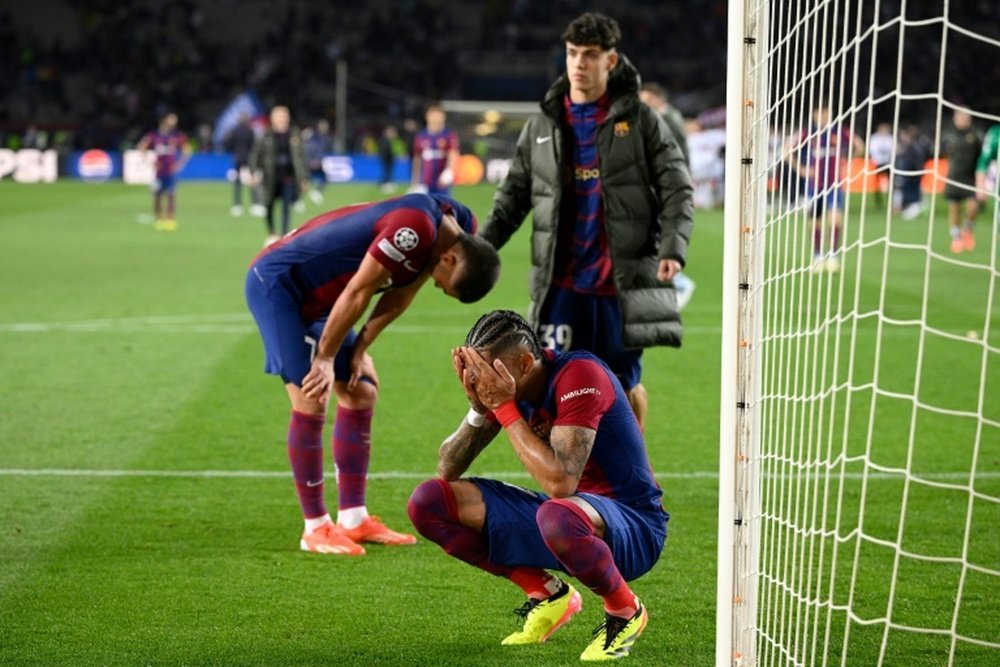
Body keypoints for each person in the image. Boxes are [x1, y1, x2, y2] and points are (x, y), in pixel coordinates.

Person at [245, 193, 501, 556]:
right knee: (311, 393)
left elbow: (400, 294)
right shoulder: (413, 229)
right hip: (280, 286)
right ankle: (315, 527)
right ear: (450, 257)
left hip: (326, 300)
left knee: (361, 390)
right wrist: (325, 358)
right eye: (445, 283)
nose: (438, 286)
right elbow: (361, 289)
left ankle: (353, 517)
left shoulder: (460, 225)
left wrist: (360, 350)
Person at [407, 310, 668, 661]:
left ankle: (625, 611)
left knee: (557, 514)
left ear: (526, 362)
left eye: (487, 370)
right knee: (429, 502)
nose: (481, 379)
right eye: (474, 370)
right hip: (565, 520)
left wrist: (503, 407)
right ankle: (547, 594)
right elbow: (447, 467)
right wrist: (479, 409)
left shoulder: (580, 375)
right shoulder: (507, 386)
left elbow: (561, 483)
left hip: (633, 528)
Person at [478, 12, 693, 432]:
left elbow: (677, 185)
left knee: (624, 386)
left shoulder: (642, 120)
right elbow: (513, 197)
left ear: (610, 61)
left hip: (620, 284)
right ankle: (567, 488)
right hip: (561, 285)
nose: (578, 63)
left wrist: (673, 247)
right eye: (573, 53)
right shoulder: (543, 124)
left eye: (590, 55)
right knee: (548, 386)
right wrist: (481, 249)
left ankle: (634, 481)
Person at [785, 103, 864, 272]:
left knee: (835, 218)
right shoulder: (808, 132)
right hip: (814, 185)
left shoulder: (840, 131)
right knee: (816, 221)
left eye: (826, 113)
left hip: (834, 184)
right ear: (814, 115)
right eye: (819, 114)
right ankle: (817, 256)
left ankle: (833, 256)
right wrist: (801, 169)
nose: (823, 117)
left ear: (831, 114)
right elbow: (787, 151)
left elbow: (859, 146)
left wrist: (846, 159)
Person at [640, 81, 696, 310]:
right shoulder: (667, 118)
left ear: (657, 99)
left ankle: (679, 283)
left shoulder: (668, 121)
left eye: (646, 101)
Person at [249, 105, 309, 245]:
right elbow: (256, 154)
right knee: (269, 205)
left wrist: (304, 177)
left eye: (285, 116)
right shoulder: (266, 135)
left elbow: (301, 157)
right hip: (270, 176)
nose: (283, 119)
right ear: (273, 118)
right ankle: (271, 232)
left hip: (288, 176)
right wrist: (253, 171)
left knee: (286, 206)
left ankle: (284, 235)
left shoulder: (294, 134)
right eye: (280, 116)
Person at [136, 112, 192, 231]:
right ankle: (158, 219)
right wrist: (150, 162)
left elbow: (187, 150)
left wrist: (179, 165)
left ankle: (170, 220)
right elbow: (141, 147)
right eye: (171, 120)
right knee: (157, 195)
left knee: (171, 195)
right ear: (164, 121)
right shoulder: (154, 135)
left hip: (170, 171)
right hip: (159, 172)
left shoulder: (177, 136)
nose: (173, 124)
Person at [411, 104, 459, 195]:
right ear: (427, 117)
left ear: (443, 118)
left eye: (439, 116)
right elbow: (417, 159)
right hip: (425, 182)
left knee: (446, 207)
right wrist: (415, 181)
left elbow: (453, 154)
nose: (436, 119)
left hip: (442, 182)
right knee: (426, 207)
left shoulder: (448, 135)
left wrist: (448, 172)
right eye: (434, 116)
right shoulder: (421, 136)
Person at [223, 112, 257, 217]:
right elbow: (254, 145)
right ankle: (254, 204)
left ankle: (237, 205)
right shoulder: (250, 130)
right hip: (248, 157)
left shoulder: (234, 131)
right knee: (251, 180)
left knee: (238, 182)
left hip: (237, 157)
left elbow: (228, 144)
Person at [894, 124, 925, 220]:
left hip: (911, 173)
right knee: (909, 190)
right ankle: (910, 207)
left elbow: (911, 161)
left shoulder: (912, 147)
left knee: (910, 191)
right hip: (913, 172)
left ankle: (913, 208)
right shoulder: (916, 145)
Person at [304, 118, 333, 205]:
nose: (324, 127)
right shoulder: (313, 136)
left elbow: (324, 150)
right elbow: (310, 149)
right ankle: (298, 199)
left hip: (318, 161)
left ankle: (317, 192)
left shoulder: (325, 138)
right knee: (305, 181)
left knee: (325, 178)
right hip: (312, 161)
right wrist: (312, 160)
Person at [867, 122, 894, 208]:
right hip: (877, 163)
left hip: (888, 163)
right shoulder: (874, 138)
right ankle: (878, 202)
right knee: (876, 183)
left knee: (892, 183)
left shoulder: (890, 138)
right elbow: (872, 150)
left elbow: (893, 149)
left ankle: (891, 201)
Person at [378, 125, 399, 193]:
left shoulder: (386, 140)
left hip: (387, 158)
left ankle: (386, 183)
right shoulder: (385, 140)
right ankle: (384, 183)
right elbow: (385, 151)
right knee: (387, 171)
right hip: (386, 159)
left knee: (387, 171)